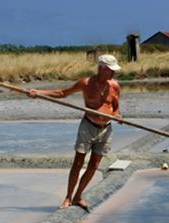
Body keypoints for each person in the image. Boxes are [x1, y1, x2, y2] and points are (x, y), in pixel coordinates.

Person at [29, 54, 122, 210]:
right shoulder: (86, 83)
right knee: (78, 163)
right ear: (100, 69)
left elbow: (116, 106)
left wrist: (118, 115)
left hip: (105, 129)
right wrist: (38, 93)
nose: (113, 73)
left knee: (94, 165)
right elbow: (62, 93)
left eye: (113, 71)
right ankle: (68, 197)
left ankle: (78, 196)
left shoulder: (114, 85)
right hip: (88, 126)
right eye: (110, 70)